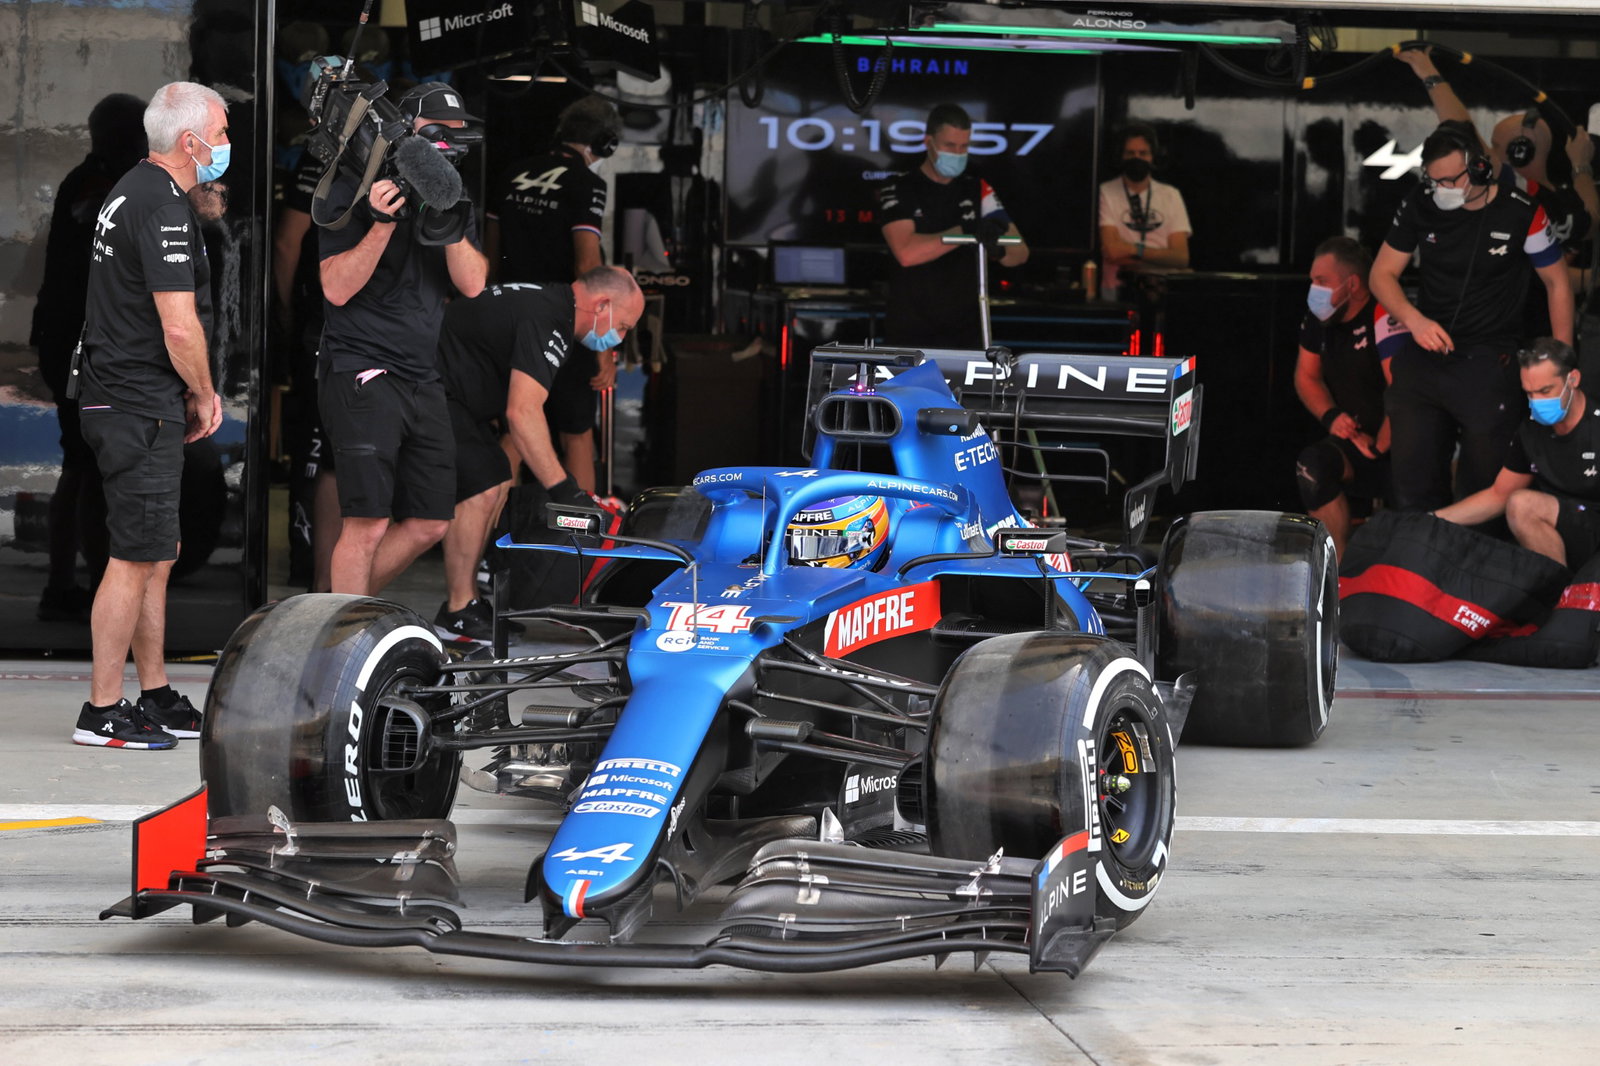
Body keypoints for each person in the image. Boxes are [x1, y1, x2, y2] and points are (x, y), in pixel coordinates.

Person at [71, 82, 227, 749]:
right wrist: (206, 392)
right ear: (189, 142)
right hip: (136, 400)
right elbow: (179, 326)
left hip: (129, 396)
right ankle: (102, 709)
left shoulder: (139, 189)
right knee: (134, 557)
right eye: (220, 134)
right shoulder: (160, 204)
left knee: (158, 552)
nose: (226, 147)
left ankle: (154, 692)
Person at [317, 81, 487, 596]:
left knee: (432, 521)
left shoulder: (453, 195)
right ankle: (340, 636)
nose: (448, 146)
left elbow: (475, 284)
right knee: (366, 522)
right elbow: (335, 288)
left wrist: (447, 214)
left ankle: (335, 614)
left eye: (457, 137)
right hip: (362, 368)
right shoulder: (347, 185)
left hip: (421, 374)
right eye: (439, 133)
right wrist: (382, 223)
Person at [1368, 120, 1573, 513]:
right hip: (1426, 354)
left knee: (1482, 489)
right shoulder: (1419, 201)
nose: (1441, 189)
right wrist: (1414, 320)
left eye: (1449, 180)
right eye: (1434, 181)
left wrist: (1559, 359)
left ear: (1479, 168)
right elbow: (1381, 274)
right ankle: (1415, 567)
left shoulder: (1521, 211)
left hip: (1488, 362)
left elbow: (1557, 283)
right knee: (1411, 482)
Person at [434, 267, 645, 641]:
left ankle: (465, 602)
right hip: (427, 390)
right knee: (481, 485)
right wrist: (565, 490)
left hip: (449, 396)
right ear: (602, 305)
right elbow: (523, 412)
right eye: (624, 327)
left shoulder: (549, 302)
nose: (619, 338)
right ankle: (456, 608)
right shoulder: (549, 319)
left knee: (495, 474)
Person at [30, 93, 145, 622]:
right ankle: (94, 584)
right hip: (77, 348)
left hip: (71, 342)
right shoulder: (95, 190)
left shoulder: (96, 183)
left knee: (81, 466)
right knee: (90, 467)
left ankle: (68, 583)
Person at [485, 95, 623, 494]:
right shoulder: (588, 184)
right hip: (565, 319)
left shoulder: (511, 173)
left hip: (509, 317)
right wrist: (603, 346)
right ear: (605, 144)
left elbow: (490, 262)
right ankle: (585, 546)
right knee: (575, 433)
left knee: (513, 432)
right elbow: (587, 267)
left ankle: (491, 542)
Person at [1395, 48, 1598, 248]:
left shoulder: (1520, 193)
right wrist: (1581, 166)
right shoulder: (1562, 205)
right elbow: (1591, 222)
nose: (1490, 151)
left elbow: (1463, 131)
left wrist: (1430, 76)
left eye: (1496, 145)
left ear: (1521, 151)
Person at [1435, 338, 1600, 568]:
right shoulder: (1530, 430)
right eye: (1529, 393)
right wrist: (1434, 520)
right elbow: (1499, 495)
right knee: (1515, 508)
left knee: (1523, 504)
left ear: (1573, 379)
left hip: (1593, 528)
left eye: (1545, 391)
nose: (1537, 402)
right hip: (1560, 529)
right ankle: (1557, 593)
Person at [877, 102, 1029, 350]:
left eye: (964, 146)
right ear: (929, 142)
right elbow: (906, 253)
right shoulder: (898, 187)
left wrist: (996, 248)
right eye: (949, 146)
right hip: (910, 331)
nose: (957, 153)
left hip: (966, 330)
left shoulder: (978, 188)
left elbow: (1020, 252)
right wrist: (967, 232)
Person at [1293, 236, 1410, 557]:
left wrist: (1380, 444)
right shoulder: (1319, 320)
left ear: (1353, 284)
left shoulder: (1384, 315)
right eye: (1312, 281)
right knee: (1312, 467)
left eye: (1322, 281)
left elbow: (1403, 390)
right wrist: (1332, 417)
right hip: (1355, 440)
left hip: (1403, 443)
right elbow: (1306, 376)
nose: (1314, 289)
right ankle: (1336, 577)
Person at [1097, 122, 1191, 299]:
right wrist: (1161, 259)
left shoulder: (1170, 195)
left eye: (1143, 153)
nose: (1137, 158)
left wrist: (1135, 251)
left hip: (1162, 291)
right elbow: (1112, 251)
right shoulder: (1105, 191)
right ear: (1121, 156)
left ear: (1152, 157)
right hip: (1116, 292)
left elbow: (1181, 257)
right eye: (1130, 153)